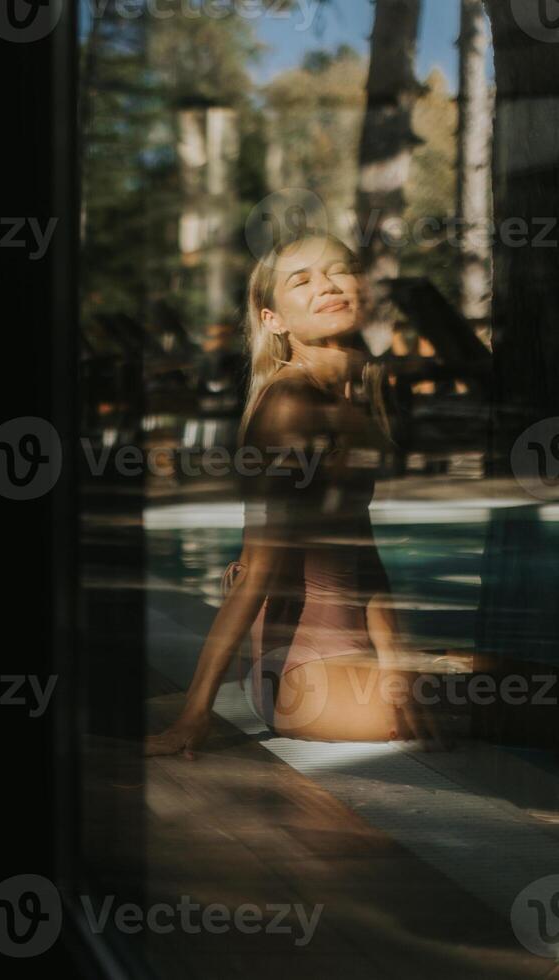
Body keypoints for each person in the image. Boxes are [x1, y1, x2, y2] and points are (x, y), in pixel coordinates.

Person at [145, 234, 445, 758]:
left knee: (524, 682)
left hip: (356, 653)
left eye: (339, 271)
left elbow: (361, 549)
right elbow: (258, 571)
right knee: (515, 705)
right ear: (272, 320)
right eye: (301, 280)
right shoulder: (290, 403)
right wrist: (194, 715)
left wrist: (396, 657)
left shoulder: (360, 396)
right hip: (298, 674)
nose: (326, 286)